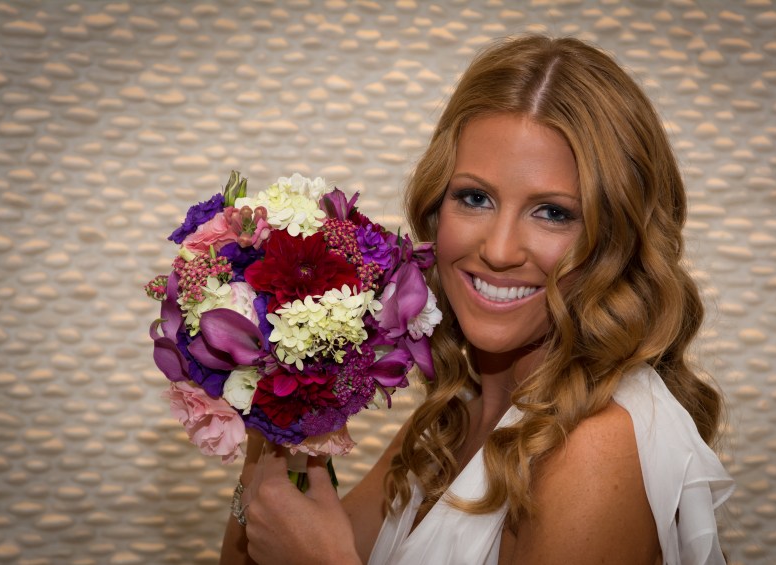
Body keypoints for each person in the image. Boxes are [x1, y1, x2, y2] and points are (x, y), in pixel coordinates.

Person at [220, 34, 735, 565]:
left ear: (616, 240)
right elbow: (282, 539)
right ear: (436, 207)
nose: (499, 250)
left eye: (553, 212)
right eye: (475, 198)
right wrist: (272, 362)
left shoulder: (597, 448)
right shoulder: (453, 421)